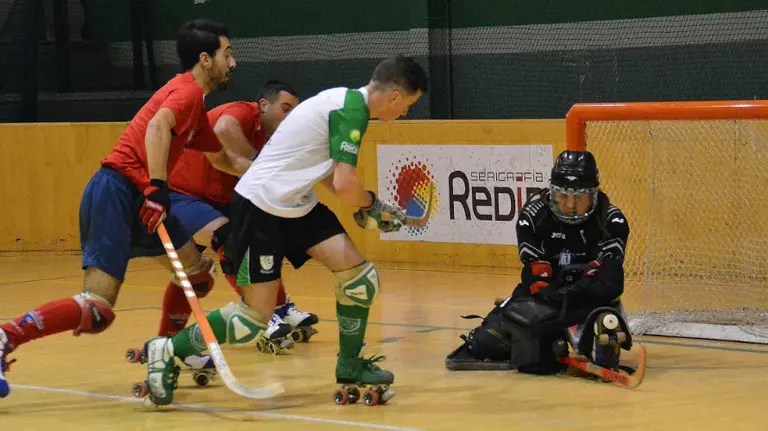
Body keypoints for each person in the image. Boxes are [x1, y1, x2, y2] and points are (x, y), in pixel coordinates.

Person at [137, 55, 429, 407]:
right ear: (395, 96)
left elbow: (325, 176)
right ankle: (166, 349)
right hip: (260, 207)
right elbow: (345, 182)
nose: (405, 113)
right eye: (408, 106)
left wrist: (370, 204)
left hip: (296, 205)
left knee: (359, 278)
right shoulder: (349, 110)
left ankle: (349, 364)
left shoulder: (342, 101)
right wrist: (370, 205)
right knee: (253, 320)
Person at [0, 18, 248, 399]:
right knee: (98, 309)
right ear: (205, 59)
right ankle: (6, 336)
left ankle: (164, 352)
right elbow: (157, 127)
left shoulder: (195, 106)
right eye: (227, 54)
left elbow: (222, 159)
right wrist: (158, 189)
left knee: (196, 275)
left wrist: (274, 173)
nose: (233, 63)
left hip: (140, 197)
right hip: (117, 192)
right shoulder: (184, 95)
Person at [155, 80, 318, 353]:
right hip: (183, 194)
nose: (289, 117)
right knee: (227, 242)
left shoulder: (278, 136)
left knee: (260, 244)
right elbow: (222, 129)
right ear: (263, 105)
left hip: (221, 199)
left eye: (294, 111)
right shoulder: (242, 113)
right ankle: (259, 315)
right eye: (285, 108)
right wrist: (260, 162)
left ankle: (280, 306)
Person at [445, 150, 634, 376]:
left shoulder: (612, 220)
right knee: (486, 344)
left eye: (579, 197)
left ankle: (601, 331)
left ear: (593, 195)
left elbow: (610, 278)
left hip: (590, 298)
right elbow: (535, 275)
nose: (571, 204)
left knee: (604, 310)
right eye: (564, 196)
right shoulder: (533, 217)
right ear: (553, 193)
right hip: (551, 297)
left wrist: (575, 293)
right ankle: (551, 336)